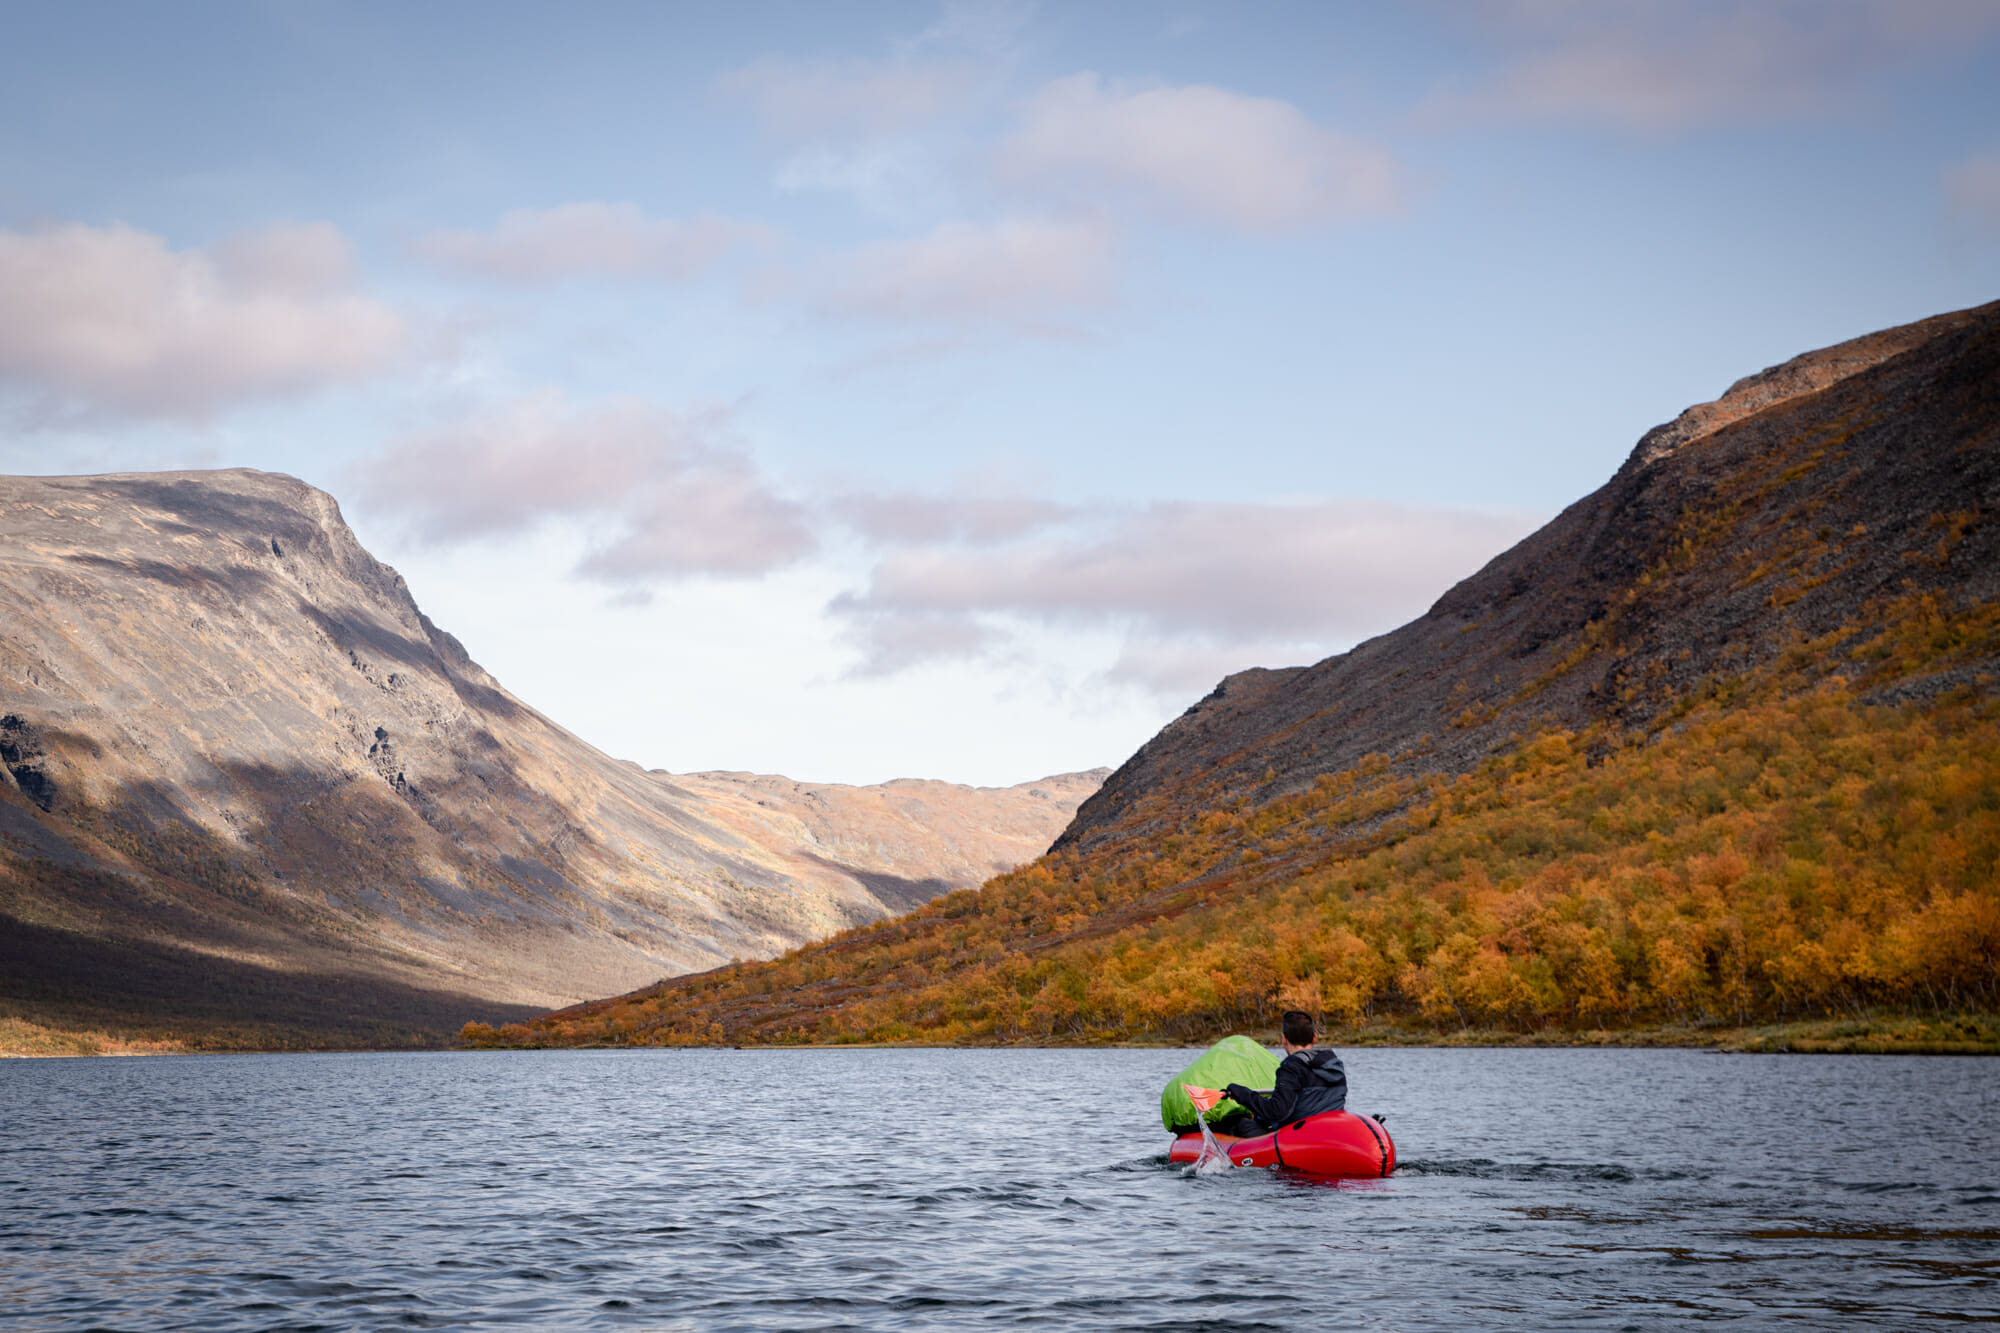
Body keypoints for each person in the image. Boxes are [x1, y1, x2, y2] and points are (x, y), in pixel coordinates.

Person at [1222, 1011, 1347, 1131]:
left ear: (1284, 1039)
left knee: (1241, 1124)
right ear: (1314, 1038)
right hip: (1330, 1131)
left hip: (1300, 1137)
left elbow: (1276, 1112)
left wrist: (1241, 1093)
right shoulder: (1334, 1065)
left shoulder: (1292, 1068)